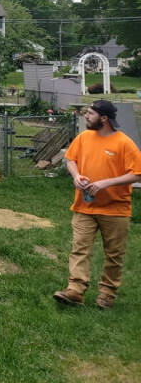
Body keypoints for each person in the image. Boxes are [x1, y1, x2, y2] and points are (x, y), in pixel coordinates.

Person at [53, 100, 141, 309]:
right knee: (80, 249)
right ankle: (75, 290)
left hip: (115, 209)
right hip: (85, 207)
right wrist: (76, 176)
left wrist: (105, 183)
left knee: (114, 254)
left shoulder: (124, 143)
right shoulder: (84, 137)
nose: (86, 116)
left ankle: (107, 295)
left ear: (104, 118)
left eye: (90, 113)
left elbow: (137, 174)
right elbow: (71, 160)